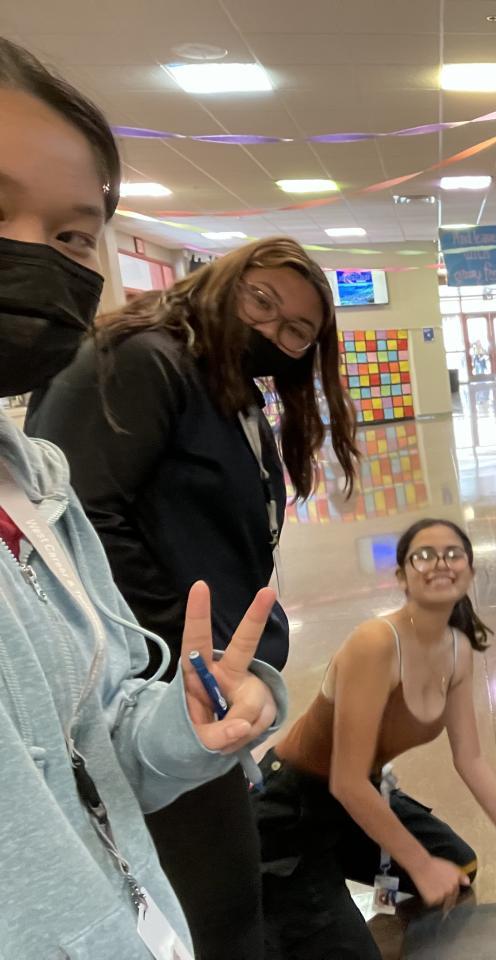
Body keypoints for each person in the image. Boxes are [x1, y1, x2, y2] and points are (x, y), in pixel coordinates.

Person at [0, 37, 286, 957]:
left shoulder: (32, 486)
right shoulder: (140, 366)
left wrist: (182, 719)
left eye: (71, 235)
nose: (33, 256)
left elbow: (88, 741)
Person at [25, 235, 359, 960]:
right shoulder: (143, 360)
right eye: (261, 300)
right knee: (217, 907)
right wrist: (186, 653)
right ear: (224, 280)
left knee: (226, 896)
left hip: (193, 696)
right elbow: (85, 523)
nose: (271, 329)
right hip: (144, 693)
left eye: (296, 330)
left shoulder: (224, 387)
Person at [254, 517, 496, 959]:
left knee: (457, 866)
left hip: (358, 801)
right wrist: (419, 864)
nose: (441, 563)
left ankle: (325, 889)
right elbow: (346, 781)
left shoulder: (457, 651)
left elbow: (469, 758)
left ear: (469, 571)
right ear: (401, 576)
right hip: (292, 810)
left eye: (453, 554)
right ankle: (297, 898)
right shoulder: (375, 643)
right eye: (423, 555)